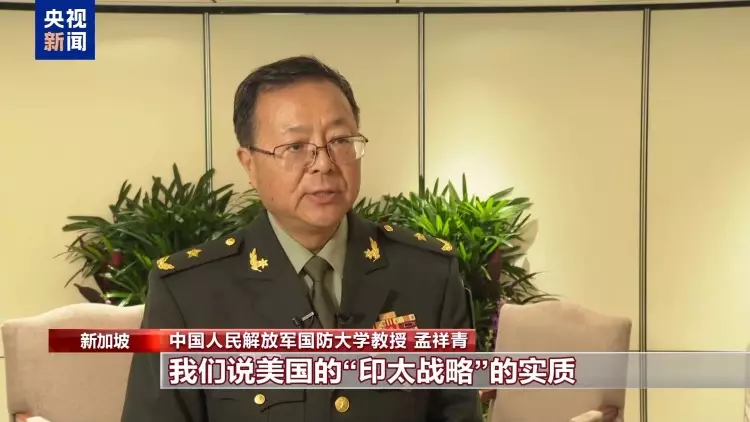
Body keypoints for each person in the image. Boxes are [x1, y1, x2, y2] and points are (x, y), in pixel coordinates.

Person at [121, 55, 482, 422]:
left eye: (340, 141)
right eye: (295, 147)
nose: (324, 163)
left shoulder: (428, 275)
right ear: (249, 164)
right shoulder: (189, 293)